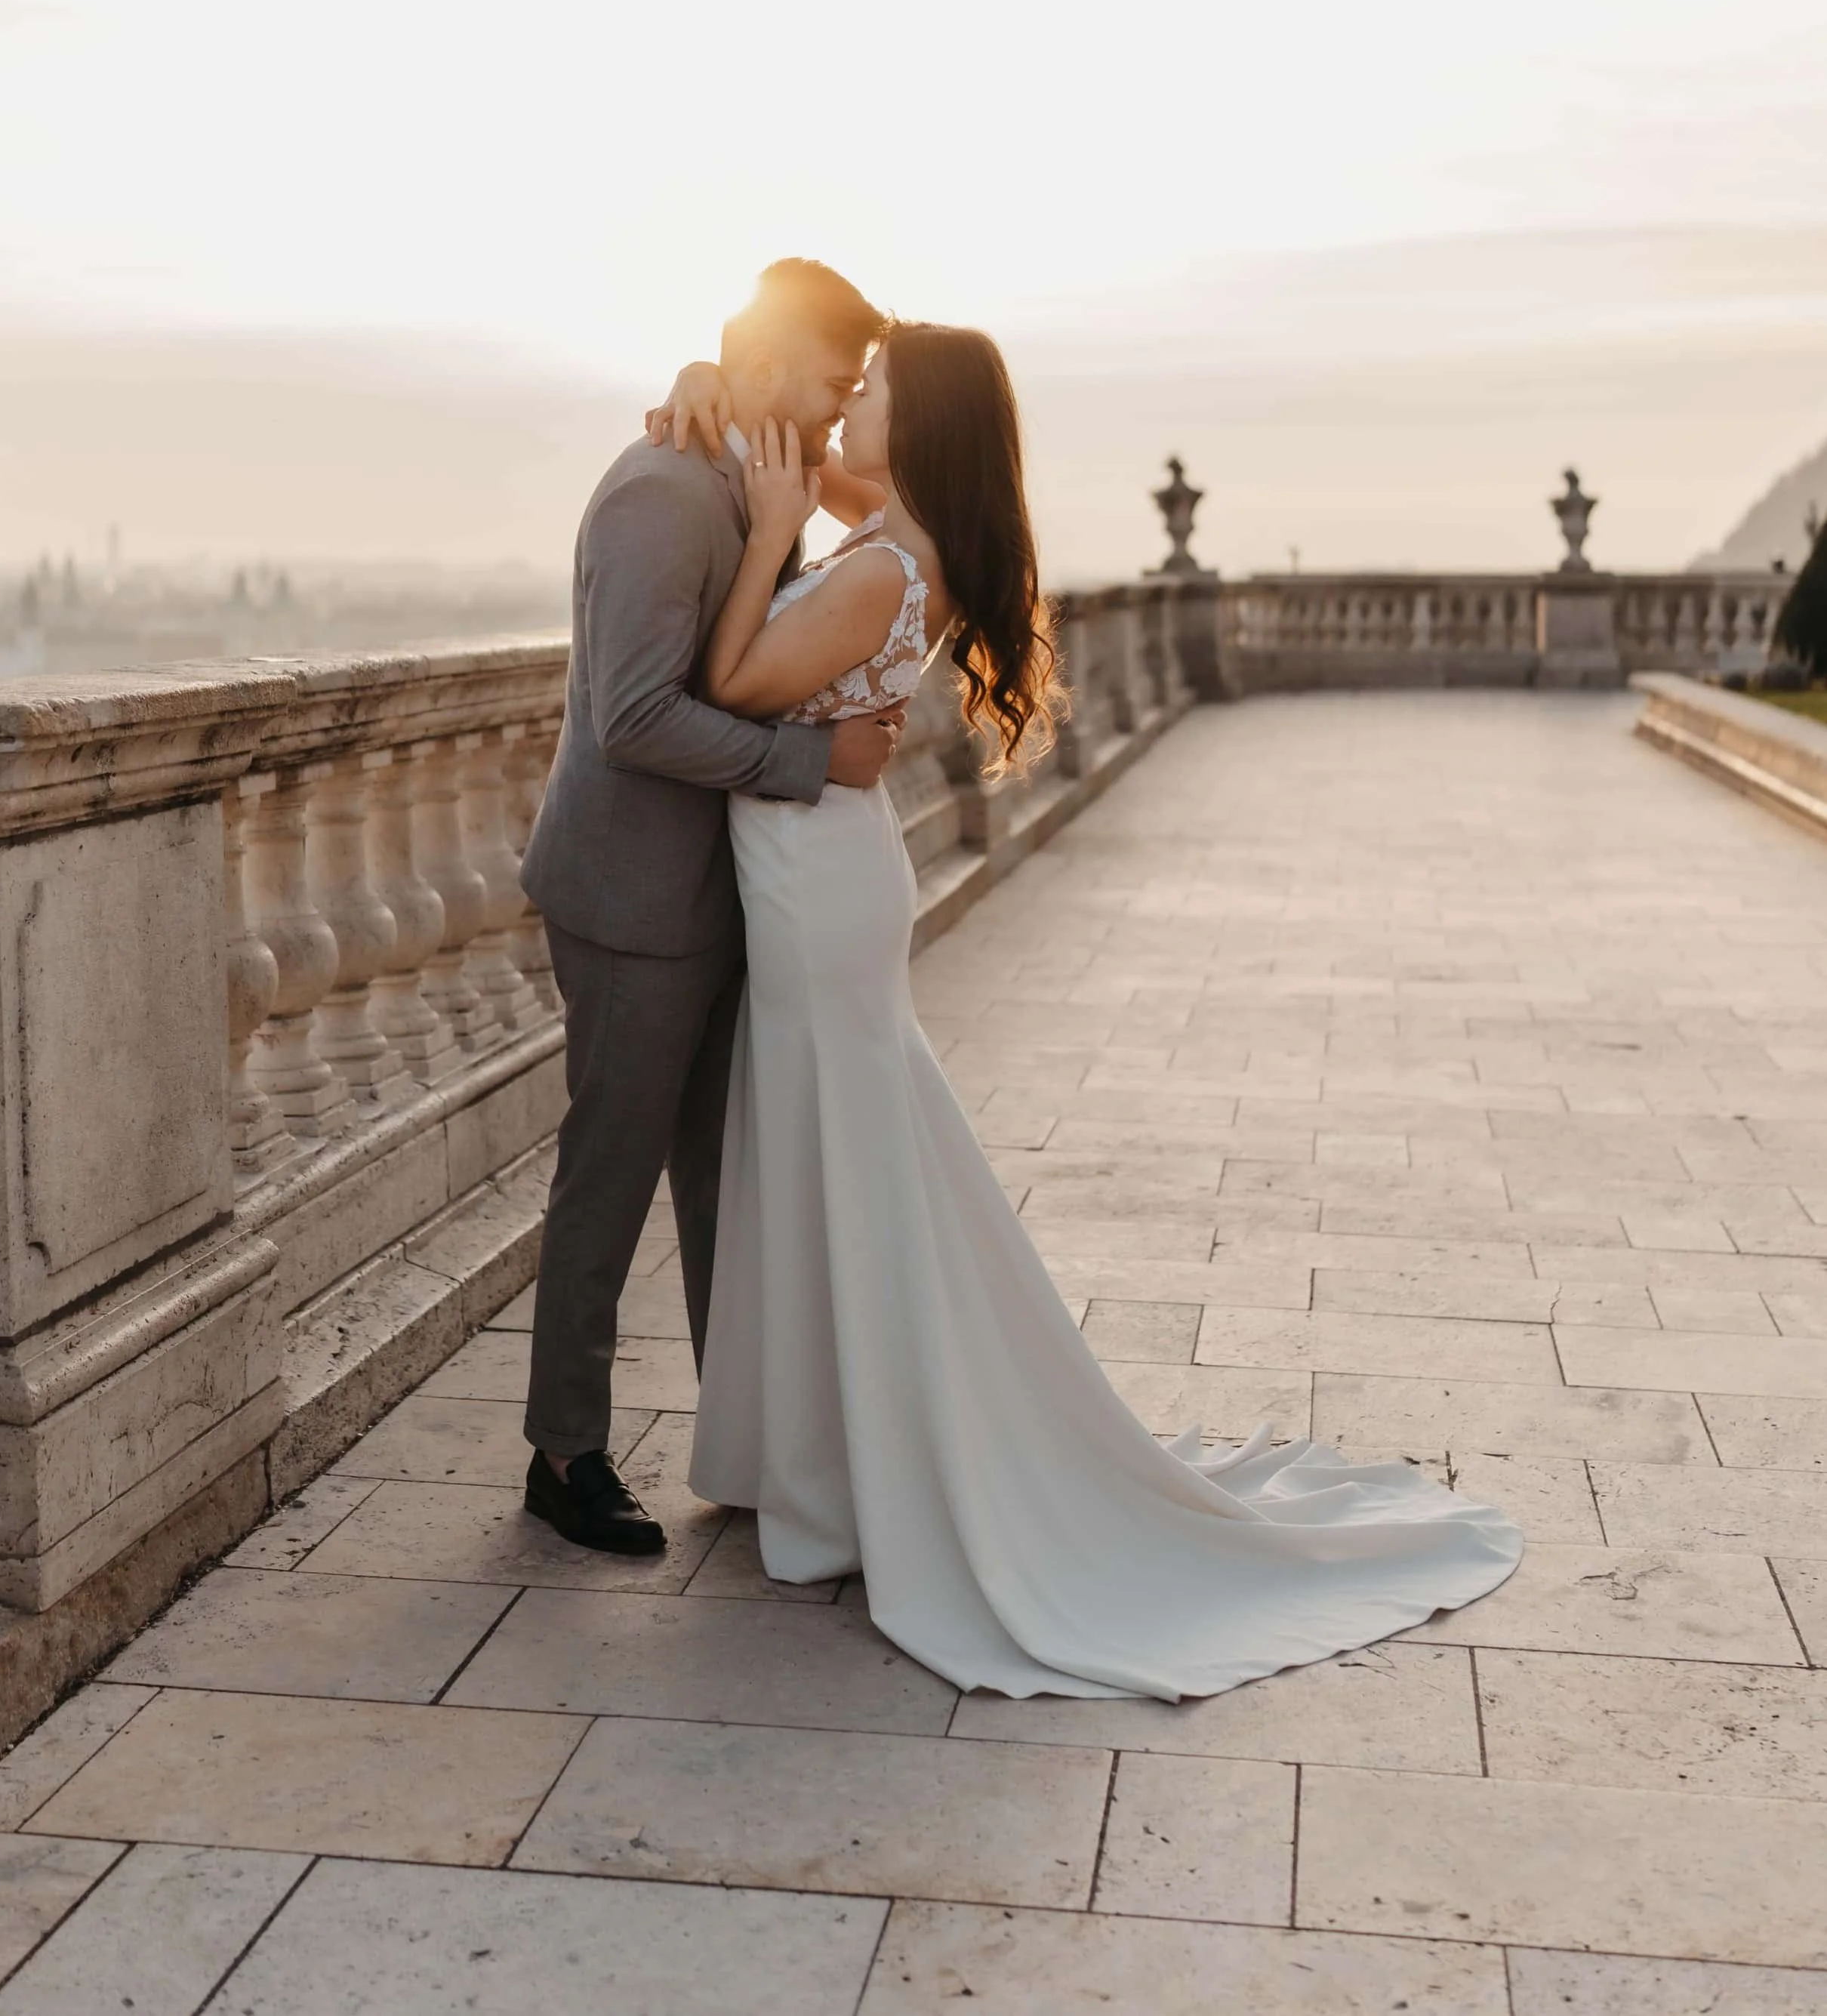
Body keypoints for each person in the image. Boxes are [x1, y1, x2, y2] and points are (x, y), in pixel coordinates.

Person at [645, 322, 1521, 1700]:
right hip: (820, 876)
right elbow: (794, 459)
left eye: (868, 392)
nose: (846, 406)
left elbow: (729, 684)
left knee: (847, 1159)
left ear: (916, 425)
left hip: (818, 891)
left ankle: (847, 1479)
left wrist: (761, 534)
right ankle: (813, 1468)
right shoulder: (890, 533)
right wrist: (710, 390)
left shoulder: (880, 567)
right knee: (829, 1150)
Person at [517, 259, 904, 1555]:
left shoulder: (754, 461)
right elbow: (631, 718)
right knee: (612, 1179)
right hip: (633, 897)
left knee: (722, 1186)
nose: (848, 408)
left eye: (861, 390)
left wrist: (719, 390)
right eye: (835, 381)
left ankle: (745, 1441)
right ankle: (564, 1455)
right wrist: (812, 765)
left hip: (731, 893)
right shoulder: (661, 494)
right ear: (763, 360)